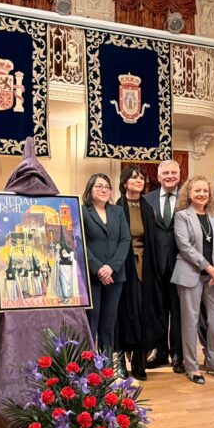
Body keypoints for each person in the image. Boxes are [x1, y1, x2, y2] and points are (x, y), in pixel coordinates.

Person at [171, 176, 214, 384]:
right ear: (189, 193)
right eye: (197, 190)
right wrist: (208, 267)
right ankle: (192, 366)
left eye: (205, 190)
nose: (202, 194)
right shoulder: (181, 216)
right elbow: (184, 246)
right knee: (190, 321)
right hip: (190, 274)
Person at [115, 166, 161, 380]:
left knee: (144, 312)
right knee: (125, 314)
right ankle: (121, 361)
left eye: (141, 178)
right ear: (124, 182)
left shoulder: (148, 208)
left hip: (146, 266)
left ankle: (139, 359)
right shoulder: (116, 207)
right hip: (124, 267)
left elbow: (153, 241)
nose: (138, 180)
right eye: (133, 177)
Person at [83, 174, 131, 365]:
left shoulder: (117, 211)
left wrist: (111, 267)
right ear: (90, 190)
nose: (103, 190)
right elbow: (79, 241)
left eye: (107, 187)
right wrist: (98, 268)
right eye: (98, 186)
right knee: (91, 323)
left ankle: (105, 367)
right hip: (92, 276)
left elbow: (125, 240)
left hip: (115, 276)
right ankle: (88, 366)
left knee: (108, 324)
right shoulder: (83, 211)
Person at [144, 160, 184, 373]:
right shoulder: (146, 200)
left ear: (180, 175)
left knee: (178, 311)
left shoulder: (187, 199)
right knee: (157, 309)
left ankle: (178, 354)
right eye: (165, 173)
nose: (169, 176)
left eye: (173, 172)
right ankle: (159, 352)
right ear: (158, 177)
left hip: (181, 264)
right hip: (154, 264)